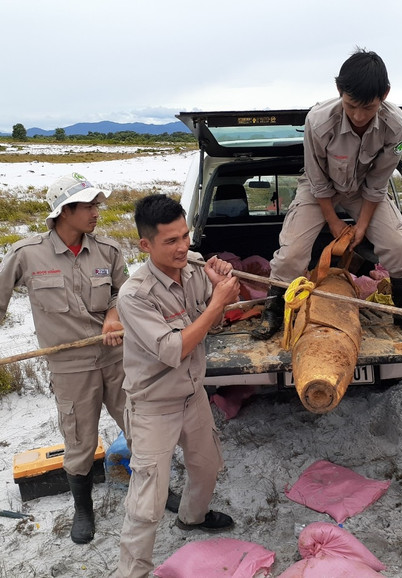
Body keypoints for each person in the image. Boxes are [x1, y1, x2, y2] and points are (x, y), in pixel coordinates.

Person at [0, 172, 128, 544]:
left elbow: (123, 292)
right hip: (70, 366)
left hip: (116, 358)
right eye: (88, 206)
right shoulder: (28, 254)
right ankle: (83, 508)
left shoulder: (109, 251)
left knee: (140, 426)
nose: (96, 212)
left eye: (97, 204)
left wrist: (114, 315)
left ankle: (157, 490)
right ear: (64, 212)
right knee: (80, 440)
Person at [252, 48, 402, 340]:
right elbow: (317, 178)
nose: (359, 116)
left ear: (385, 94)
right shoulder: (318, 121)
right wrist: (334, 222)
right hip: (320, 188)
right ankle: (273, 312)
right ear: (339, 91)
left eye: (368, 108)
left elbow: (378, 182)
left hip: (364, 190)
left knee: (398, 247)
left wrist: (362, 226)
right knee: (292, 253)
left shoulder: (396, 125)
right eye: (351, 106)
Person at [114, 194, 240, 578]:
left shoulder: (195, 267)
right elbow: (175, 348)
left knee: (206, 467)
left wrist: (220, 286)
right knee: (147, 504)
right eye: (170, 241)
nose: (183, 247)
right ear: (145, 245)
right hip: (154, 404)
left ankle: (192, 518)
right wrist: (219, 303)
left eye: (185, 236)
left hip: (192, 395)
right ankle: (131, 573)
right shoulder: (134, 296)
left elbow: (212, 327)